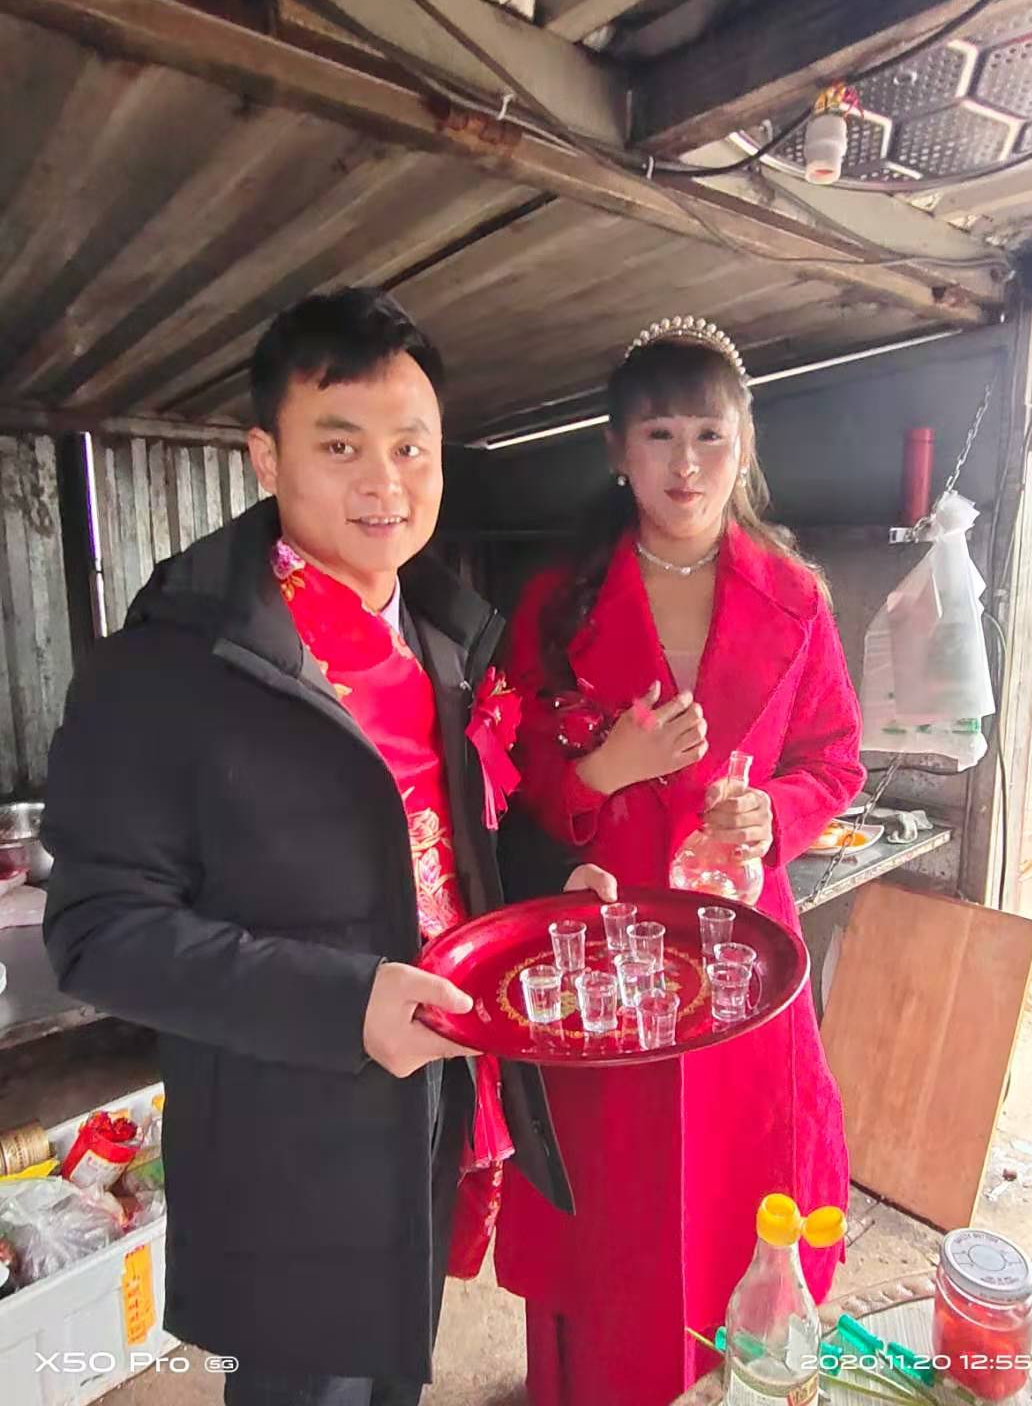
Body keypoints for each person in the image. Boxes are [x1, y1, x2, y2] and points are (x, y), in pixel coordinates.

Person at [42, 289, 611, 1405]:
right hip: (285, 1137)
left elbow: (445, 843)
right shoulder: (166, 668)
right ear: (266, 456)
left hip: (437, 1099)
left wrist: (555, 881)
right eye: (340, 445)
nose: (384, 482)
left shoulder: (444, 636)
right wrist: (345, 1006)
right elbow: (101, 933)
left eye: (412, 447)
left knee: (396, 1375)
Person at [495, 316, 866, 1406]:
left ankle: (730, 1376)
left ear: (744, 446)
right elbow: (506, 776)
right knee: (609, 1197)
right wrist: (602, 772)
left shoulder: (794, 597)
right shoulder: (557, 600)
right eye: (660, 434)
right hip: (601, 944)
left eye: (710, 434)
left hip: (743, 946)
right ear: (618, 451)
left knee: (741, 1178)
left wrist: (774, 816)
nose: (687, 463)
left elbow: (834, 757)